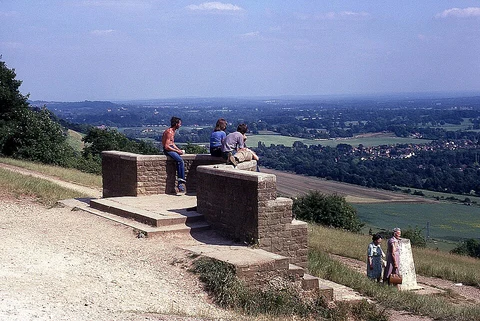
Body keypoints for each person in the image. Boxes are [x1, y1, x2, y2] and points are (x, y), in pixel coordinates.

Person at [162, 116, 186, 192]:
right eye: (179, 124)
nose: (180, 125)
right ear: (176, 124)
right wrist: (176, 151)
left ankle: (181, 182)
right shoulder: (169, 132)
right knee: (180, 161)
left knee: (180, 159)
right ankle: (180, 182)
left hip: (171, 147)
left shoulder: (173, 131)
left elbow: (172, 143)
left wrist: (178, 150)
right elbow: (166, 146)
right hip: (168, 150)